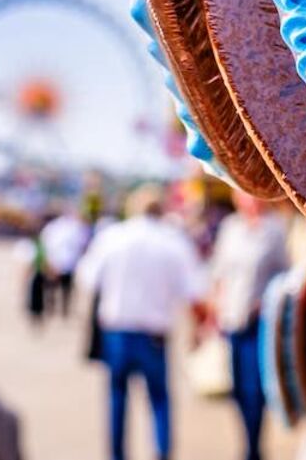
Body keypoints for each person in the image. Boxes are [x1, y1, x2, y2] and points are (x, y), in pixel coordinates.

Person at [76, 185, 207, 460]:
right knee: (159, 399)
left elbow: (87, 278)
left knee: (117, 398)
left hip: (117, 331)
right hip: (153, 335)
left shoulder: (113, 237)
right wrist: (197, 329)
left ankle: (117, 454)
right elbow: (195, 291)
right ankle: (161, 452)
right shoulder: (173, 242)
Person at [208, 191, 290, 460]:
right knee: (237, 389)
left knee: (255, 389)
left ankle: (253, 449)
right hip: (231, 318)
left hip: (259, 321)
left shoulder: (274, 231)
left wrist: (264, 302)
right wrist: (214, 309)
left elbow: (284, 274)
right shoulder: (230, 228)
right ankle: (247, 441)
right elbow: (219, 271)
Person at [38, 207, 89, 318]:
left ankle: (60, 309)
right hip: (60, 262)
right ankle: (57, 309)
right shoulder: (74, 227)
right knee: (57, 288)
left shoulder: (73, 227)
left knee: (60, 288)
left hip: (64, 262)